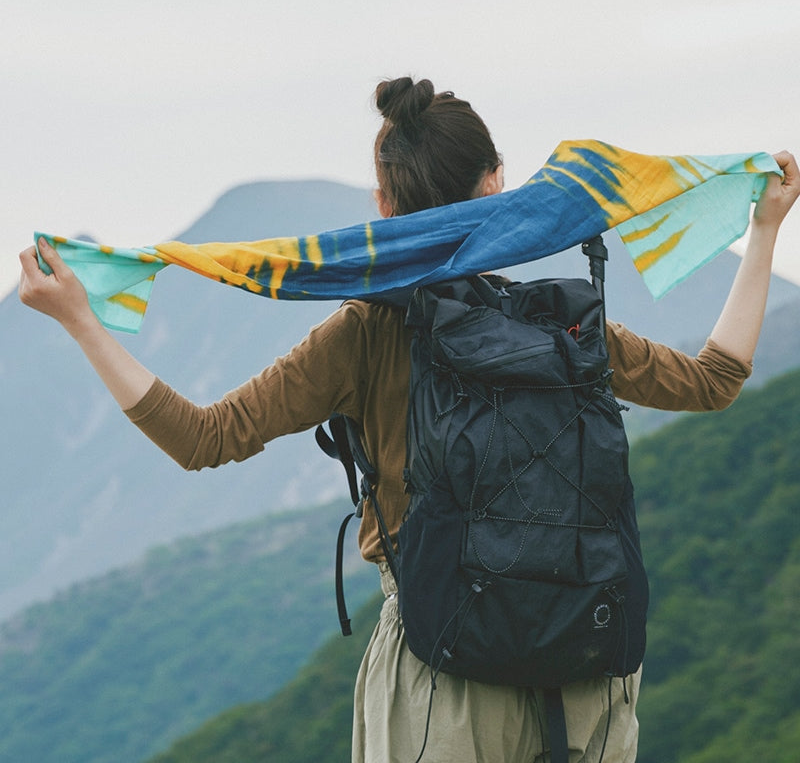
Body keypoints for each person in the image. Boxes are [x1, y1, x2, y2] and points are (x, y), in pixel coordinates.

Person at [18, 77, 799, 763]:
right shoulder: (560, 324)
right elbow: (717, 379)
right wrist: (764, 226)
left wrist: (82, 321)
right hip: (592, 664)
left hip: (443, 665)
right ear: (499, 188)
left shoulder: (366, 331)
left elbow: (204, 438)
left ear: (384, 211)